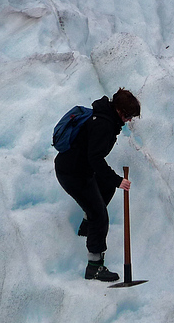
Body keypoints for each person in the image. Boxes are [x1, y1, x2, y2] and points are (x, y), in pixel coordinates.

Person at [55, 88, 140, 281]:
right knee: (99, 216)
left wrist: (113, 182)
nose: (129, 121)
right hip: (73, 174)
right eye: (128, 117)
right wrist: (118, 180)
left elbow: (92, 158)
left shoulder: (104, 116)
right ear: (120, 111)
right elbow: (95, 159)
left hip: (78, 169)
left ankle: (87, 226)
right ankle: (94, 267)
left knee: (106, 186)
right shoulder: (104, 124)